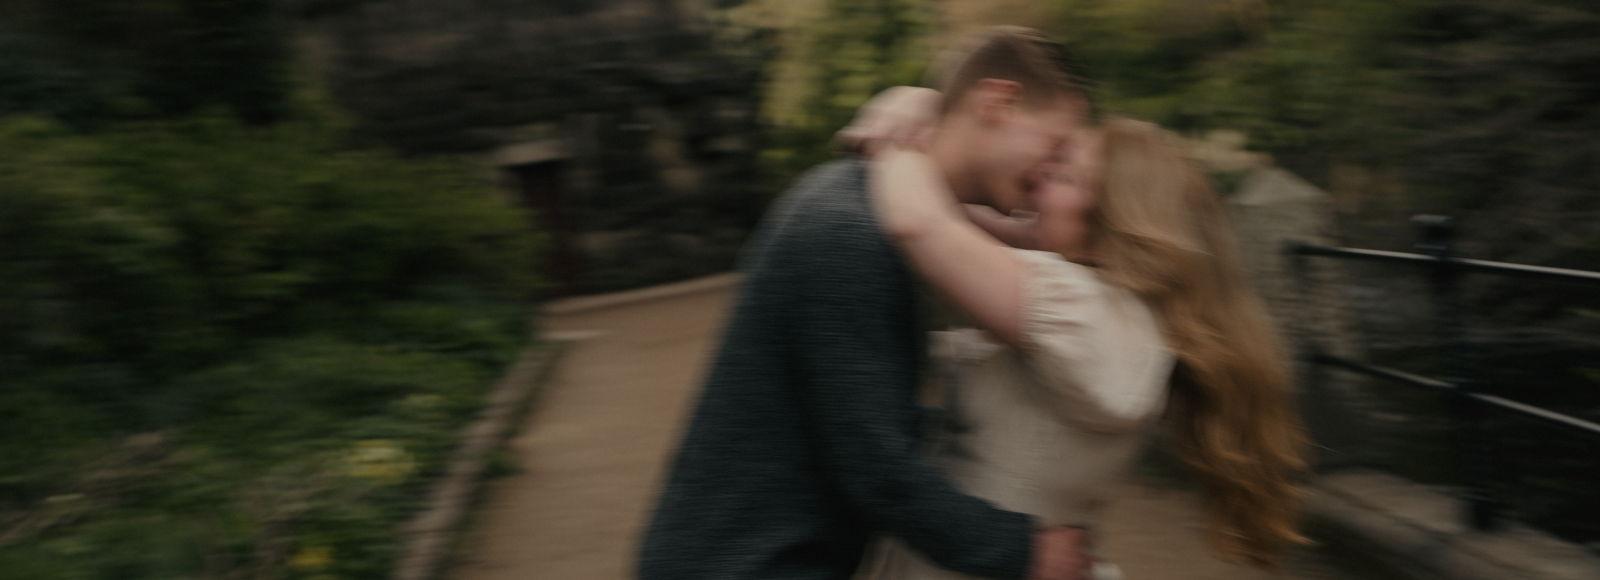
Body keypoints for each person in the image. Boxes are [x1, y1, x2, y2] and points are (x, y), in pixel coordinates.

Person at [637, 27, 1097, 580]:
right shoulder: (848, 231)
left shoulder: (868, 208)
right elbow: (877, 470)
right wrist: (1026, 552)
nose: (1049, 173)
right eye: (1054, 147)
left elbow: (866, 421)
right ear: (998, 103)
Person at [851, 105, 1311, 579]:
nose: (1039, 178)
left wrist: (894, 142)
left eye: (1063, 176)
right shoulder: (1109, 307)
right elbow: (957, 213)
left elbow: (920, 223)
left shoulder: (1087, 315)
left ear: (1110, 226)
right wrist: (934, 111)